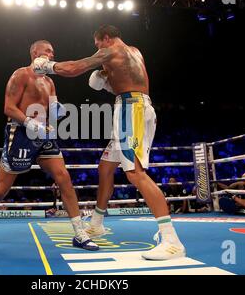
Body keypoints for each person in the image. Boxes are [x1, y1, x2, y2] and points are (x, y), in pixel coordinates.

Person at [33, 25, 185, 260]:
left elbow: (75, 68)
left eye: (97, 44)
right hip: (130, 106)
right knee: (105, 168)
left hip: (131, 110)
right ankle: (97, 223)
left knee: (135, 173)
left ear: (105, 38)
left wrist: (48, 66)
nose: (97, 50)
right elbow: (126, 79)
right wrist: (105, 79)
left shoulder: (110, 50)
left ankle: (171, 240)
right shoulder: (134, 51)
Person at [0, 40, 99, 251]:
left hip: (43, 137)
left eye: (53, 51)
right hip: (20, 134)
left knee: (64, 179)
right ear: (35, 52)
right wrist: (30, 122)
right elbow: (8, 107)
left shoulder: (50, 83)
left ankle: (79, 233)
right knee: (0, 191)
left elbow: (52, 112)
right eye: (48, 50)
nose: (52, 54)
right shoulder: (21, 74)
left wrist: (56, 115)